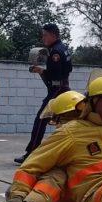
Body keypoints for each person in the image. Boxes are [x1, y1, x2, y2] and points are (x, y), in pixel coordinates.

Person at [2, 91, 93, 202]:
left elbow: (29, 168)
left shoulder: (62, 138)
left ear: (60, 117)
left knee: (52, 174)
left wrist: (17, 194)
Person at [14, 22, 72, 163]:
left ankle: (31, 153)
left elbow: (55, 74)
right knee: (67, 122)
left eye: (45, 35)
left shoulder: (55, 52)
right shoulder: (63, 48)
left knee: (40, 120)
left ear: (53, 35)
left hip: (56, 90)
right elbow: (67, 70)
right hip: (63, 88)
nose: (43, 38)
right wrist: (42, 71)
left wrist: (42, 71)